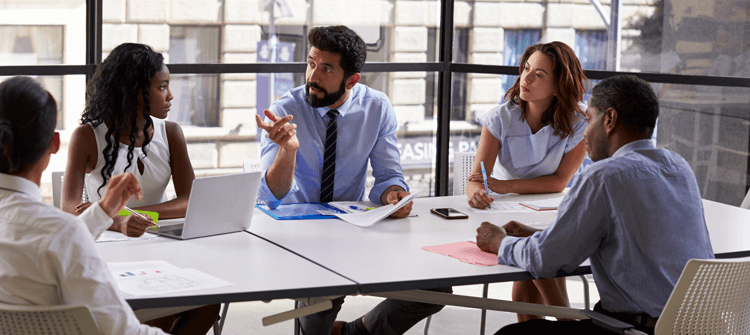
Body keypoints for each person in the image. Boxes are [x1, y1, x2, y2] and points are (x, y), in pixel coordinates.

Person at [475, 75, 714, 335]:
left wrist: (500, 242)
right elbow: (635, 240)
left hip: (635, 328)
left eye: (589, 120)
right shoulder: (679, 167)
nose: (585, 133)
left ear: (609, 120)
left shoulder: (604, 176)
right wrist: (542, 236)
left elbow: (544, 261)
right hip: (698, 326)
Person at [0, 76, 166, 335]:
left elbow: (53, 245)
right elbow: (125, 333)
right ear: (54, 144)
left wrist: (102, 212)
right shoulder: (60, 233)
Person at [256, 25, 445, 335]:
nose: (312, 76)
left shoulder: (377, 107)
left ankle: (355, 332)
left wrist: (394, 196)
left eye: (326, 68)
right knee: (322, 300)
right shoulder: (284, 111)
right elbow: (271, 194)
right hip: (296, 233)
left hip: (351, 228)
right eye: (311, 63)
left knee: (435, 289)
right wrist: (287, 151)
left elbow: (388, 178)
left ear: (352, 79)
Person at [62, 43, 219, 335]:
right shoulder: (86, 136)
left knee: (209, 304)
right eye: (162, 87)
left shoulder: (171, 133)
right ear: (134, 91)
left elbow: (192, 200)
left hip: (158, 245)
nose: (171, 96)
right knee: (154, 313)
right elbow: (69, 211)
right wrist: (118, 222)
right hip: (109, 250)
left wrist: (129, 213)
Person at [465, 41, 589, 321]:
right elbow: (476, 180)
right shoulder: (500, 118)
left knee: (533, 255)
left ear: (559, 85)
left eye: (539, 74)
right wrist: (476, 192)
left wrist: (504, 186)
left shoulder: (580, 122)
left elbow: (559, 182)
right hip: (509, 212)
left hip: (553, 209)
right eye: (526, 69)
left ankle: (565, 321)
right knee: (532, 260)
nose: (526, 78)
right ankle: (566, 320)